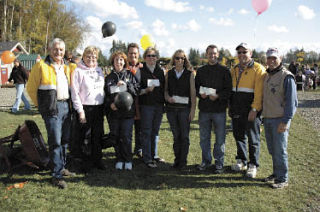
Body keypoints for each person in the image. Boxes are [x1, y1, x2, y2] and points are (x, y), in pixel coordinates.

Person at [27, 38, 74, 189]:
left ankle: (62, 167)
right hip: (52, 109)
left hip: (66, 106)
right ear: (49, 49)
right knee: (55, 141)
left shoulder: (66, 67)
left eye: (61, 49)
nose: (58, 52)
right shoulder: (41, 66)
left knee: (65, 140)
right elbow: (31, 89)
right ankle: (56, 175)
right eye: (55, 49)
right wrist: (41, 106)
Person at [262, 48, 298, 189]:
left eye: (274, 58)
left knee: (280, 150)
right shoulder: (267, 75)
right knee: (272, 149)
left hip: (279, 120)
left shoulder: (286, 76)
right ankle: (276, 173)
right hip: (268, 118)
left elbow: (292, 102)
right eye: (269, 58)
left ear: (280, 58)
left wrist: (285, 121)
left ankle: (283, 178)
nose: (271, 60)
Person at [229, 42, 266, 178]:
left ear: (250, 53)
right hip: (236, 108)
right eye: (239, 52)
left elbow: (259, 92)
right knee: (238, 136)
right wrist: (230, 106)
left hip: (251, 109)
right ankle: (242, 160)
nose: (242, 55)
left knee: (253, 138)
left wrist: (255, 109)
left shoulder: (258, 69)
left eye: (245, 52)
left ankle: (253, 164)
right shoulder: (234, 69)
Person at [195, 45, 232, 173]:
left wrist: (218, 96)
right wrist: (200, 94)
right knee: (204, 138)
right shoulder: (200, 71)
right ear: (206, 55)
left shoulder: (224, 71)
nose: (212, 55)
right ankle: (206, 161)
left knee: (220, 138)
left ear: (218, 54)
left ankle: (219, 163)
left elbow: (228, 91)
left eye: (214, 53)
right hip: (204, 110)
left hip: (219, 111)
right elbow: (196, 88)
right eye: (210, 53)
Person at [71, 46, 105, 172]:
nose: (91, 59)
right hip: (85, 108)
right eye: (89, 56)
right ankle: (85, 163)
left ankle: (97, 160)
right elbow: (75, 93)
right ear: (84, 57)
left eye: (94, 56)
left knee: (97, 135)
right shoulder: (78, 71)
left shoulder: (99, 70)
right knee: (84, 137)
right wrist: (80, 112)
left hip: (98, 108)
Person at [104, 51, 139, 170]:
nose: (119, 62)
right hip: (114, 113)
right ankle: (119, 158)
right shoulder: (109, 77)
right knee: (116, 136)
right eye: (116, 60)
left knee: (127, 136)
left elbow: (136, 91)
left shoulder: (130, 75)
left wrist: (127, 85)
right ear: (113, 62)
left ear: (124, 62)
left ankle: (128, 159)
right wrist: (110, 104)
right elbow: (105, 95)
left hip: (128, 113)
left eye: (121, 60)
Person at [165, 49, 196, 169]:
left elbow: (193, 94)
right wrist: (167, 97)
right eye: (177, 58)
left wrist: (193, 110)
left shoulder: (189, 74)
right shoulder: (169, 73)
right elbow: (165, 90)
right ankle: (177, 160)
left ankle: (183, 161)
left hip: (184, 110)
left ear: (185, 60)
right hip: (172, 109)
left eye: (182, 58)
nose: (179, 60)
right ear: (174, 60)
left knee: (184, 136)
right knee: (176, 136)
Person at [138, 47, 165, 168]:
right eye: (149, 56)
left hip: (158, 105)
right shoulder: (140, 71)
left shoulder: (161, 71)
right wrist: (145, 90)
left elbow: (164, 88)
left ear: (157, 58)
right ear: (145, 58)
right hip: (146, 105)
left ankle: (154, 155)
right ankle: (147, 157)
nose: (151, 58)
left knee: (155, 131)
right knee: (147, 131)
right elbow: (135, 90)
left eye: (154, 56)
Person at [127, 43, 143, 158]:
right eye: (131, 53)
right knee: (127, 129)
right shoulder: (123, 67)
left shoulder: (143, 68)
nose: (133, 55)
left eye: (135, 53)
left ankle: (139, 149)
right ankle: (126, 150)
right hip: (127, 104)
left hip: (141, 103)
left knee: (140, 129)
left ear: (138, 55)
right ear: (127, 54)